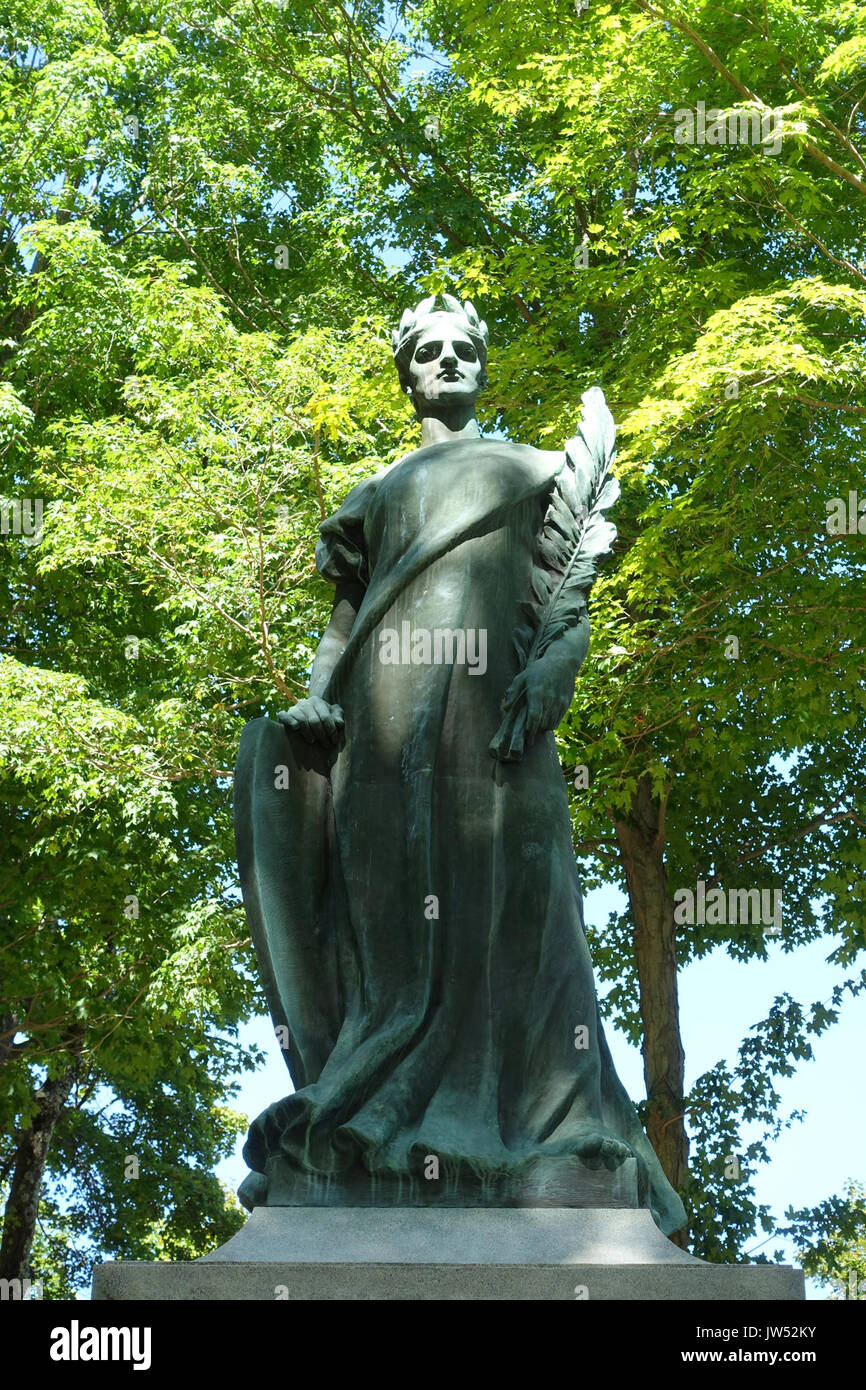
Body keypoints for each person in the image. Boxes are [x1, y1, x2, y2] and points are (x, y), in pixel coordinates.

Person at [235, 294, 686, 1236]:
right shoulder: (381, 491)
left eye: (463, 349)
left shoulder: (533, 473)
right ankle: (381, 1106)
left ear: (483, 365)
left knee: (527, 908)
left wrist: (557, 667)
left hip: (501, 725)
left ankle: (547, 1124)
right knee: (393, 921)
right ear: (407, 377)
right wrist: (318, 697)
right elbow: (344, 621)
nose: (447, 361)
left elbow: (566, 595)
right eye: (428, 352)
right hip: (386, 726)